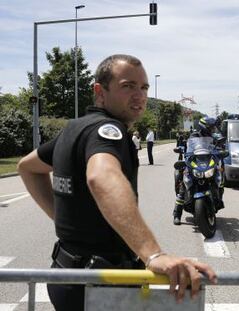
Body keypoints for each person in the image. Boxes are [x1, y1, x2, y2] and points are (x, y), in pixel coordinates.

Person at [17, 54, 217, 311]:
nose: (140, 95)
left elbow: (28, 167)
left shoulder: (75, 128)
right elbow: (101, 177)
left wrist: (61, 218)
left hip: (68, 274)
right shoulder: (107, 131)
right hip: (99, 287)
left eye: (143, 87)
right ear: (100, 91)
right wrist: (153, 254)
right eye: (128, 86)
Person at [173, 117, 225, 225]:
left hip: (207, 162)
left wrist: (222, 148)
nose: (212, 129)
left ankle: (217, 199)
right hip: (195, 163)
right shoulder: (194, 136)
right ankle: (177, 214)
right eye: (210, 127)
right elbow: (188, 148)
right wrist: (183, 150)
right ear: (204, 127)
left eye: (213, 127)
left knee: (219, 178)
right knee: (184, 185)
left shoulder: (212, 136)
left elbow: (218, 145)